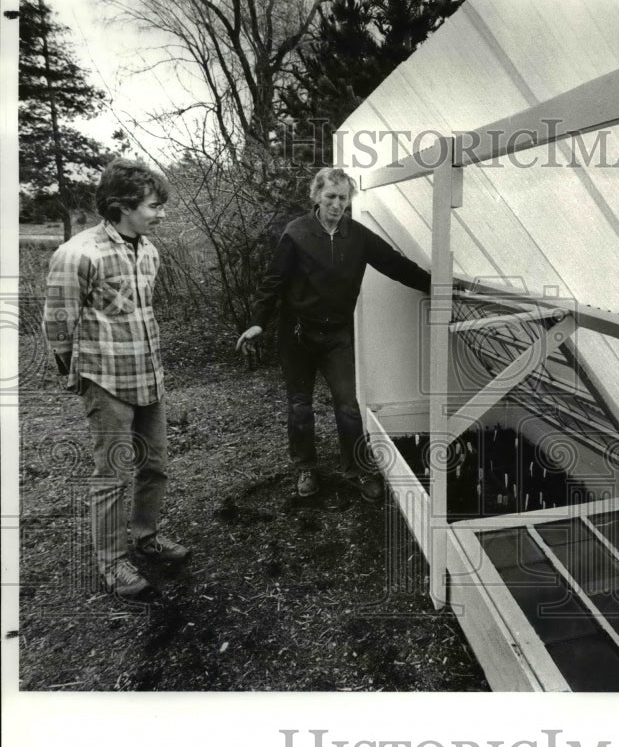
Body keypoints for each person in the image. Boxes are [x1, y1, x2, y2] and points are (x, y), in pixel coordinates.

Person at [43, 158, 189, 599]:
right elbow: (58, 320)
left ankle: (146, 536)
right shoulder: (78, 253)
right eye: (153, 205)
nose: (161, 212)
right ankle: (113, 563)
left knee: (155, 465)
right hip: (105, 381)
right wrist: (76, 375)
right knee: (112, 473)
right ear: (123, 205)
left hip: (149, 376)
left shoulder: (150, 250)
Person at [236, 168, 430, 500]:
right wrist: (258, 322)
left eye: (343, 198)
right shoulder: (295, 234)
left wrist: (438, 285)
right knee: (300, 405)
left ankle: (358, 469)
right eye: (330, 197)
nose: (337, 205)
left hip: (337, 335)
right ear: (316, 196)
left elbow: (395, 265)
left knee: (347, 405)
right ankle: (306, 469)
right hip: (296, 335)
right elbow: (273, 283)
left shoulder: (357, 236)